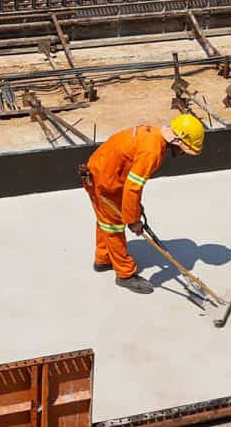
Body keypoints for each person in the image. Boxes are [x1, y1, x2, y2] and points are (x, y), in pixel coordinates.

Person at [80, 116, 205, 294]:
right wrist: (133, 220)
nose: (184, 153)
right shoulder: (152, 151)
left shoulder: (154, 137)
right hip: (104, 181)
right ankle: (125, 274)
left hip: (103, 171)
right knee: (113, 226)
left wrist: (136, 208)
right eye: (185, 149)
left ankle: (104, 258)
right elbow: (133, 187)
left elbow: (131, 181)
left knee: (105, 220)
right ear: (177, 140)